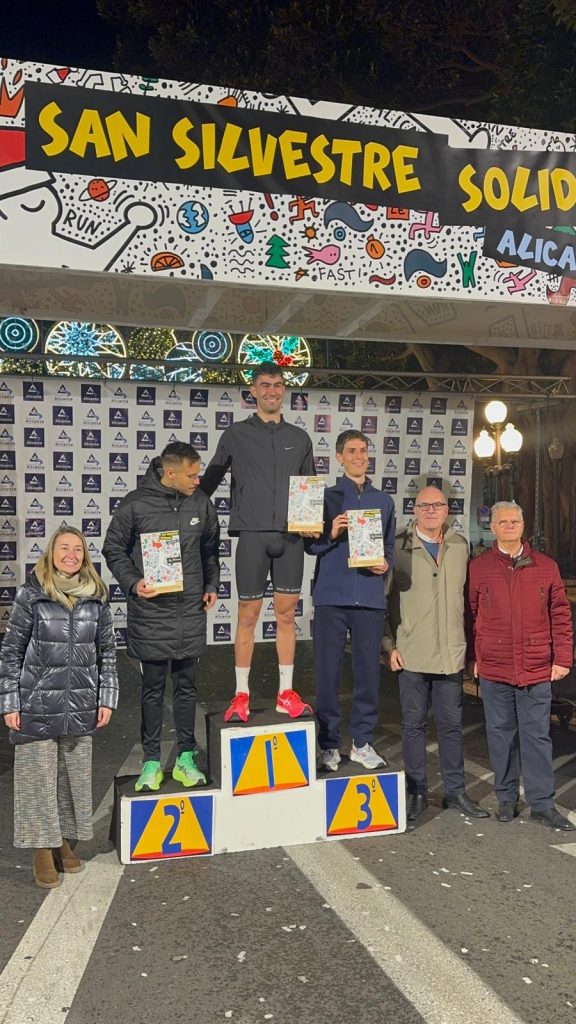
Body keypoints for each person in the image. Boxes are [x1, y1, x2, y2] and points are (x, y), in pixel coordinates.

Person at [0, 527, 118, 889]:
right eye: (64, 548)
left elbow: (107, 652)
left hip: (80, 704)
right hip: (35, 704)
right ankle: (41, 849)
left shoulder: (96, 597)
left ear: (85, 556)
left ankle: (62, 841)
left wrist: (106, 697)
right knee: (37, 779)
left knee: (71, 781)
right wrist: (10, 702)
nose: (71, 554)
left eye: (78, 549)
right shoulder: (32, 595)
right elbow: (11, 652)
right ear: (51, 553)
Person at [201, 361, 315, 723]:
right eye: (264, 385)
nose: (271, 391)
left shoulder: (300, 438)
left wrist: (312, 522)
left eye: (277, 385)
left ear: (284, 390)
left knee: (286, 615)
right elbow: (209, 482)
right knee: (247, 615)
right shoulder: (235, 434)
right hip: (251, 535)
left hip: (290, 539)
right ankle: (241, 695)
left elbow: (309, 490)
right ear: (253, 390)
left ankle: (285, 693)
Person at [102, 441, 219, 792]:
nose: (198, 480)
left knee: (187, 688)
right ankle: (151, 762)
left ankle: (185, 758)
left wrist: (211, 584)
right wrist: (133, 582)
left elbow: (210, 549)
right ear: (170, 473)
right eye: (191, 475)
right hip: (151, 614)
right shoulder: (135, 504)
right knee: (152, 690)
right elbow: (113, 548)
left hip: (189, 614)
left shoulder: (201, 502)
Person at [466, 501, 575, 830]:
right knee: (500, 735)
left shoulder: (546, 567)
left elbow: (560, 614)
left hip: (536, 666)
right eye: (503, 522)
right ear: (493, 527)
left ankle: (542, 804)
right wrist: (473, 657)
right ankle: (506, 798)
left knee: (537, 736)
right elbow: (470, 616)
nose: (509, 526)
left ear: (523, 526)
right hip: (495, 667)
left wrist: (563, 658)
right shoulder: (479, 568)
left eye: (515, 521)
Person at [383, 486, 489, 821]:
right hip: (411, 653)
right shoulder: (397, 546)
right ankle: (416, 791)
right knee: (413, 725)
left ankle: (455, 792)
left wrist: (472, 649)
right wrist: (388, 646)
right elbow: (381, 601)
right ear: (414, 510)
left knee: (451, 726)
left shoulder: (460, 545)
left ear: (446, 510)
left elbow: (468, 603)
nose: (431, 510)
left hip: (450, 654)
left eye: (437, 505)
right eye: (424, 505)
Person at [306, 430, 395, 771]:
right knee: (327, 675)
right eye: (352, 451)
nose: (359, 456)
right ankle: (329, 745)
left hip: (369, 599)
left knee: (368, 675)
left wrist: (385, 563)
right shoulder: (326, 497)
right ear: (339, 457)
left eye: (363, 450)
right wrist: (331, 533)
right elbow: (310, 546)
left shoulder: (383, 501)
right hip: (331, 597)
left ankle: (361, 742)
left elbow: (389, 548)